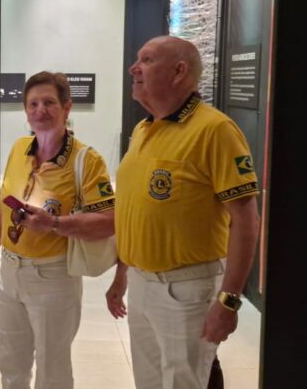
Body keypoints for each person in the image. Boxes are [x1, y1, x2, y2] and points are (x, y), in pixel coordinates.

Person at [106, 36, 261, 389]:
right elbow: (139, 212)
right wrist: (122, 275)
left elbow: (246, 220)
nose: (133, 68)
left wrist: (229, 301)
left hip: (186, 290)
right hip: (142, 284)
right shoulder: (144, 129)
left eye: (146, 60)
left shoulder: (215, 130)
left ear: (178, 71)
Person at [0, 71, 116, 389]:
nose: (40, 110)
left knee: (53, 370)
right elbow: (4, 207)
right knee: (11, 365)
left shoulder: (86, 160)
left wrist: (53, 224)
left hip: (53, 277)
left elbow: (110, 221)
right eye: (33, 104)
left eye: (49, 102)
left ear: (67, 107)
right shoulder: (19, 149)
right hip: (10, 272)